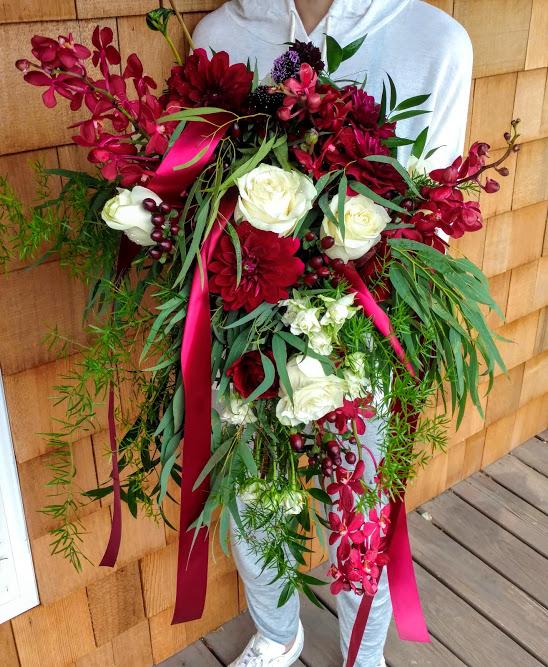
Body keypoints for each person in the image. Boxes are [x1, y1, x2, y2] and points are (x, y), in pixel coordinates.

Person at [193, 1, 473, 665]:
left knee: (362, 513)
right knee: (252, 498)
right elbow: (203, 193)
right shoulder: (221, 34)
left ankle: (362, 651)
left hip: (360, 340)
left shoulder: (435, 43)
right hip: (248, 330)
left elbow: (429, 221)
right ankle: (279, 631)